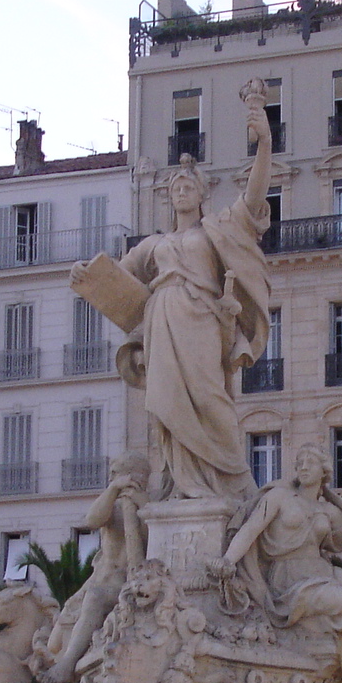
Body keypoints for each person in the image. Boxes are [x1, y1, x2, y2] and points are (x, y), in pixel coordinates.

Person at [74, 81, 274, 501]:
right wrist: (85, 274)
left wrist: (265, 143)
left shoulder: (217, 229)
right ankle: (180, 486)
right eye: (174, 189)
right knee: (166, 406)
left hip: (200, 316)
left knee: (209, 396)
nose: (180, 190)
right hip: (161, 319)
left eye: (188, 186)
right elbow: (115, 277)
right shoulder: (154, 244)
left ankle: (230, 479)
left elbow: (254, 195)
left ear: (202, 194)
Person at [216, 443, 342, 683]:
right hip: (289, 580)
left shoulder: (329, 511)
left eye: (310, 462)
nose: (302, 467)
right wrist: (227, 561)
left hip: (322, 575)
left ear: (324, 470)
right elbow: (250, 530)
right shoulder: (279, 497)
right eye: (299, 462)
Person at [33, 453, 149, 683]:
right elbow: (92, 520)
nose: (111, 476)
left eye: (116, 473)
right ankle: (55, 660)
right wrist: (114, 490)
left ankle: (67, 665)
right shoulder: (110, 505)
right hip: (99, 579)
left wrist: (140, 503)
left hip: (122, 583)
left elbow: (151, 538)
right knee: (56, 639)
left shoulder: (147, 505)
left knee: (95, 599)